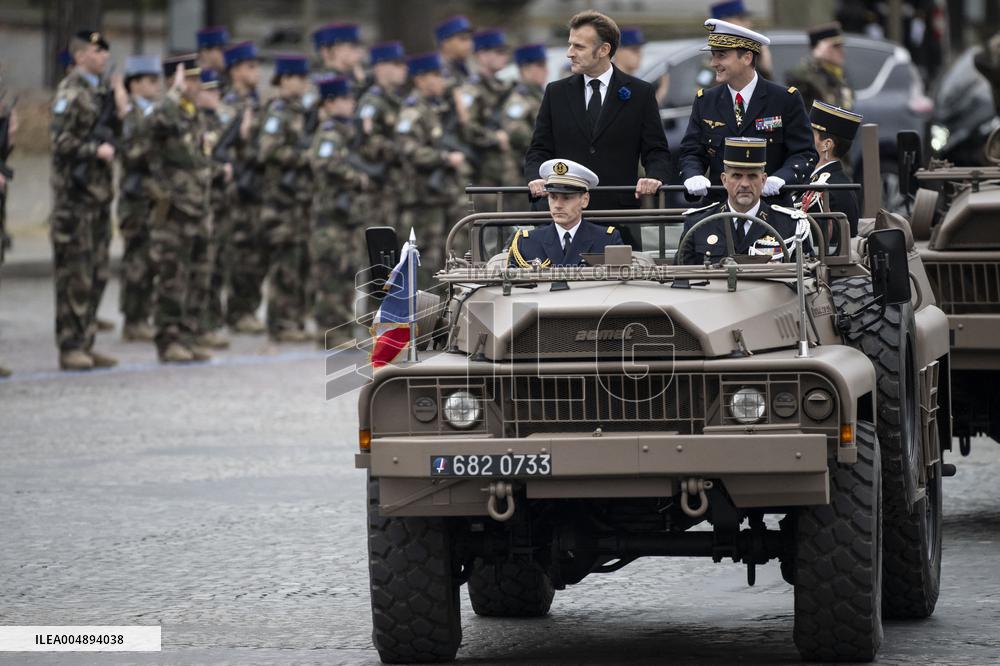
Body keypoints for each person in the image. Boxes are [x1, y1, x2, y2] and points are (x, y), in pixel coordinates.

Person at [524, 10, 672, 212]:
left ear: (603, 50)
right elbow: (539, 150)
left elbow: (656, 151)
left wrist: (654, 177)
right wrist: (535, 178)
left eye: (578, 46)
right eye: (570, 44)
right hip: (565, 211)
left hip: (618, 213)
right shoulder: (556, 92)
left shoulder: (640, 93)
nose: (569, 53)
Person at [679, 19, 816, 202]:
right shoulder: (706, 100)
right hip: (720, 213)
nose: (713, 63)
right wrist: (693, 175)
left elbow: (804, 153)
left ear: (747, 57)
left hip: (770, 209)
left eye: (721, 55)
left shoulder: (784, 99)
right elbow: (691, 152)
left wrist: (782, 178)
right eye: (713, 55)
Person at [49, 30, 120, 371]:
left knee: (97, 273)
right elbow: (59, 141)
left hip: (98, 199)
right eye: (96, 50)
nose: (103, 56)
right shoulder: (70, 92)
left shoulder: (100, 92)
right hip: (74, 201)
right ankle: (70, 345)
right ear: (79, 57)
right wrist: (95, 150)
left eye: (104, 51)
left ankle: (87, 341)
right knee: (74, 275)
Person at [147, 55, 214, 363]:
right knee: (172, 275)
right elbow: (156, 123)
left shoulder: (193, 113)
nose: (195, 85)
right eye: (188, 79)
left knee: (199, 275)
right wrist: (172, 92)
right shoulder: (166, 109)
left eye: (197, 79)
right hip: (174, 208)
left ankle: (188, 334)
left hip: (198, 207)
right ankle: (169, 339)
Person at [677, 137, 807, 265]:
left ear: (763, 180)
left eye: (752, 176)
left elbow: (807, 278)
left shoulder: (789, 226)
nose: (745, 184)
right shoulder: (698, 225)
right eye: (737, 176)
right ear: (724, 180)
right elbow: (680, 279)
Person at [309, 76, 370, 346]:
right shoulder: (330, 132)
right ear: (330, 102)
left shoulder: (345, 132)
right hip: (331, 217)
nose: (351, 104)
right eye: (345, 99)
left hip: (346, 217)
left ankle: (342, 327)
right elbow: (323, 163)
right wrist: (356, 177)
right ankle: (331, 331)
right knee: (331, 273)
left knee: (347, 271)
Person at [395, 53, 467, 278]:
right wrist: (443, 158)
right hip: (423, 198)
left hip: (443, 195)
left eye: (440, 76)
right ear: (419, 79)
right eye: (434, 76)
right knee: (424, 260)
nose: (440, 81)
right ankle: (423, 309)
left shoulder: (438, 109)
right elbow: (408, 150)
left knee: (448, 256)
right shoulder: (413, 110)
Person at [257, 54, 313, 342]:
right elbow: (267, 150)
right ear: (286, 79)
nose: (304, 84)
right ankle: (279, 323)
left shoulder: (299, 112)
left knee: (298, 261)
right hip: (281, 200)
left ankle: (294, 319)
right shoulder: (278, 113)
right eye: (300, 78)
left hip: (298, 201)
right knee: (284, 263)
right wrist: (303, 157)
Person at [220, 41, 266, 334]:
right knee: (239, 252)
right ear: (235, 70)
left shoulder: (257, 103)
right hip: (236, 189)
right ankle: (237, 311)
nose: (256, 72)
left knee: (255, 253)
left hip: (257, 188)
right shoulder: (227, 105)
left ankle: (247, 307)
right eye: (250, 66)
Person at [118, 53, 161, 343]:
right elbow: (130, 153)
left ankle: (143, 315)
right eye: (149, 80)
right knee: (137, 259)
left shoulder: (152, 112)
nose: (156, 85)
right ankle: (133, 319)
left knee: (150, 258)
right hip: (136, 198)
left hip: (152, 197)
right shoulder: (129, 115)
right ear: (133, 84)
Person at [508, 159, 623, 267]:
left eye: (566, 198)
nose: (557, 205)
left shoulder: (607, 240)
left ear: (585, 200)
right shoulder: (527, 242)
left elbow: (620, 284)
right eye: (553, 197)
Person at [195, 68, 233, 350]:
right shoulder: (196, 123)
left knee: (216, 264)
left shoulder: (217, 121)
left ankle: (209, 321)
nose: (215, 96)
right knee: (199, 266)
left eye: (216, 90)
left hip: (218, 204)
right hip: (196, 203)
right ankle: (200, 325)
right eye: (209, 90)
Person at [356, 41, 407, 229]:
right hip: (378, 186)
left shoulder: (394, 100)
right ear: (380, 67)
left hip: (395, 184)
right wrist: (400, 149)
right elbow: (367, 141)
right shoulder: (372, 102)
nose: (403, 69)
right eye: (396, 64)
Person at [797, 100, 862, 237]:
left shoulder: (834, 188)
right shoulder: (817, 179)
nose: (804, 138)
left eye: (810, 134)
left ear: (826, 145)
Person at [459, 29, 513, 187]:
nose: (504, 56)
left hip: (506, 170)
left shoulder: (503, 87)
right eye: (498, 52)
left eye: (504, 52)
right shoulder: (472, 90)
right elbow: (467, 127)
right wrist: (494, 138)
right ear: (482, 55)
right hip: (483, 172)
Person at [501, 44, 548, 186]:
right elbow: (515, 131)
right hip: (522, 172)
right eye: (540, 66)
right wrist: (545, 142)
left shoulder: (540, 95)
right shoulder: (519, 99)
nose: (545, 70)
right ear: (525, 70)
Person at [785, 22, 854, 111]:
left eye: (841, 46)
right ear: (818, 48)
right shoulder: (801, 74)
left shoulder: (839, 73)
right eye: (835, 46)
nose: (841, 51)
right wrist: (817, 60)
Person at [709, 1, 772, 80]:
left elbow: (765, 87)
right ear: (726, 22)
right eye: (741, 18)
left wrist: (765, 68)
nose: (749, 23)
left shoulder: (755, 49)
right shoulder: (714, 54)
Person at [312, 23, 365, 88]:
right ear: (335, 50)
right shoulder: (321, 82)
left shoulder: (351, 76)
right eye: (353, 47)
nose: (360, 52)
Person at [435, 15, 474, 88]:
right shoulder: (436, 73)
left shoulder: (465, 66)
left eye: (470, 39)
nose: (469, 44)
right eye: (463, 39)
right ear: (445, 43)